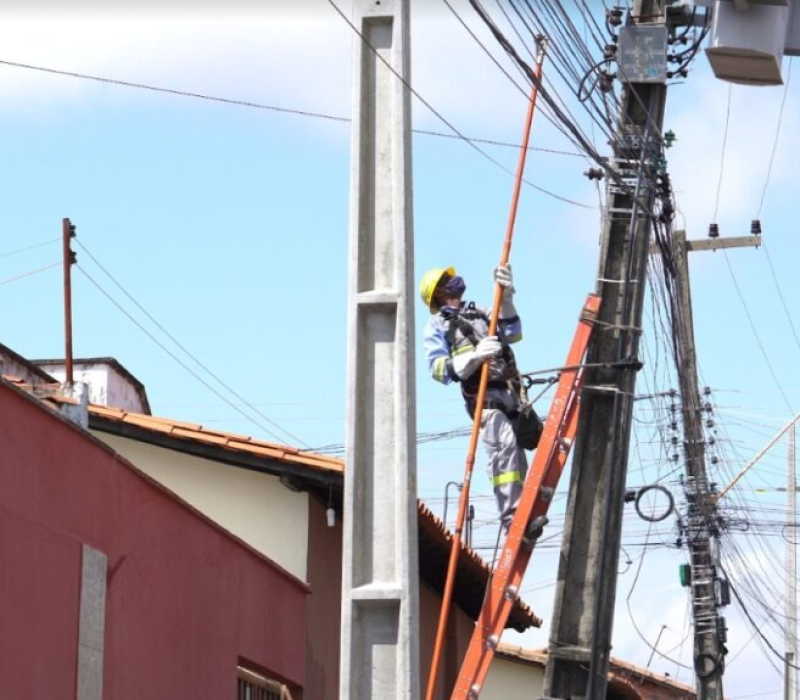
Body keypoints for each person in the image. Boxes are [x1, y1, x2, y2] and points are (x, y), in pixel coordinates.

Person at [420, 264, 544, 540]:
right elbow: (439, 369)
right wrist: (475, 356)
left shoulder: (481, 312)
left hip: (512, 393)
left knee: (526, 451)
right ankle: (514, 523)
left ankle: (526, 514)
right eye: (447, 280)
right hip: (485, 400)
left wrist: (508, 297)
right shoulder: (436, 325)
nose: (454, 281)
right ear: (438, 292)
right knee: (505, 451)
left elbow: (513, 333)